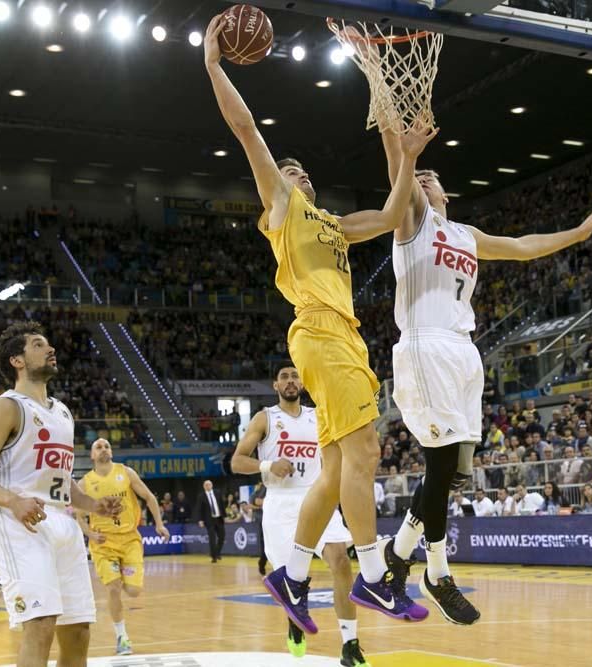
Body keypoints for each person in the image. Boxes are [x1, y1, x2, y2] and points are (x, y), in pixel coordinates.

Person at [202, 14, 436, 632]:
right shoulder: (282, 208)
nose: (297, 171)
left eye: (302, 169)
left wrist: (408, 156)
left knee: (335, 468)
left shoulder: (332, 223)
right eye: (288, 168)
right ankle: (375, 575)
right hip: (319, 332)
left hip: (347, 341)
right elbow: (246, 128)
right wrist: (214, 66)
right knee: (365, 450)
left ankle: (292, 574)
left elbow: (390, 215)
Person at [377, 105, 592, 626]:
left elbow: (524, 246)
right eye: (420, 177)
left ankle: (399, 556)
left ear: (447, 195)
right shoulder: (411, 220)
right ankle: (435, 572)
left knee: (452, 474)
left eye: (433, 178)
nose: (425, 180)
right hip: (425, 344)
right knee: (440, 467)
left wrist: (573, 235)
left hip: (463, 352)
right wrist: (393, 122)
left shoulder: (466, 234)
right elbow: (397, 165)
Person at [0, 321, 122, 667]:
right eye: (38, 345)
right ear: (16, 361)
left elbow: (63, 482)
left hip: (61, 522)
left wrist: (94, 504)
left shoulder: (62, 412)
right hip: (20, 523)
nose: (50, 349)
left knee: (78, 630)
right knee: (39, 626)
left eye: (49, 344)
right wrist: (13, 500)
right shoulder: (5, 407)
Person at [230, 364, 368, 667]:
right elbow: (237, 462)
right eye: (284, 377)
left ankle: (350, 646)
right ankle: (294, 621)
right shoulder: (265, 418)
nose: (290, 381)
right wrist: (267, 466)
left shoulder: (319, 416)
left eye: (295, 377)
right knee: (295, 579)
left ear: (303, 384)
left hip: (316, 497)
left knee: (341, 562)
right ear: (275, 385)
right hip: (281, 504)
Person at [77, 438, 170, 656]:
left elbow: (148, 497)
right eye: (98, 447)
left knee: (134, 591)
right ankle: (122, 637)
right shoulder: (84, 484)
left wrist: (159, 524)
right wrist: (89, 533)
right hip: (104, 544)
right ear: (92, 455)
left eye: (107, 446)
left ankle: (126, 584)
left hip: (129, 540)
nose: (103, 449)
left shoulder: (126, 473)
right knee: (113, 587)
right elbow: (78, 515)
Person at [197, 480, 226, 563]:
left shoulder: (217, 493)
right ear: (204, 487)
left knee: (222, 536)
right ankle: (214, 557)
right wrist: (200, 520)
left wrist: (225, 516)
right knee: (212, 538)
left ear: (212, 485)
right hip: (209, 520)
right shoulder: (201, 496)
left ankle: (217, 552)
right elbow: (199, 509)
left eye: (209, 484)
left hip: (219, 518)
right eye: (206, 485)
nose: (208, 486)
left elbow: (221, 504)